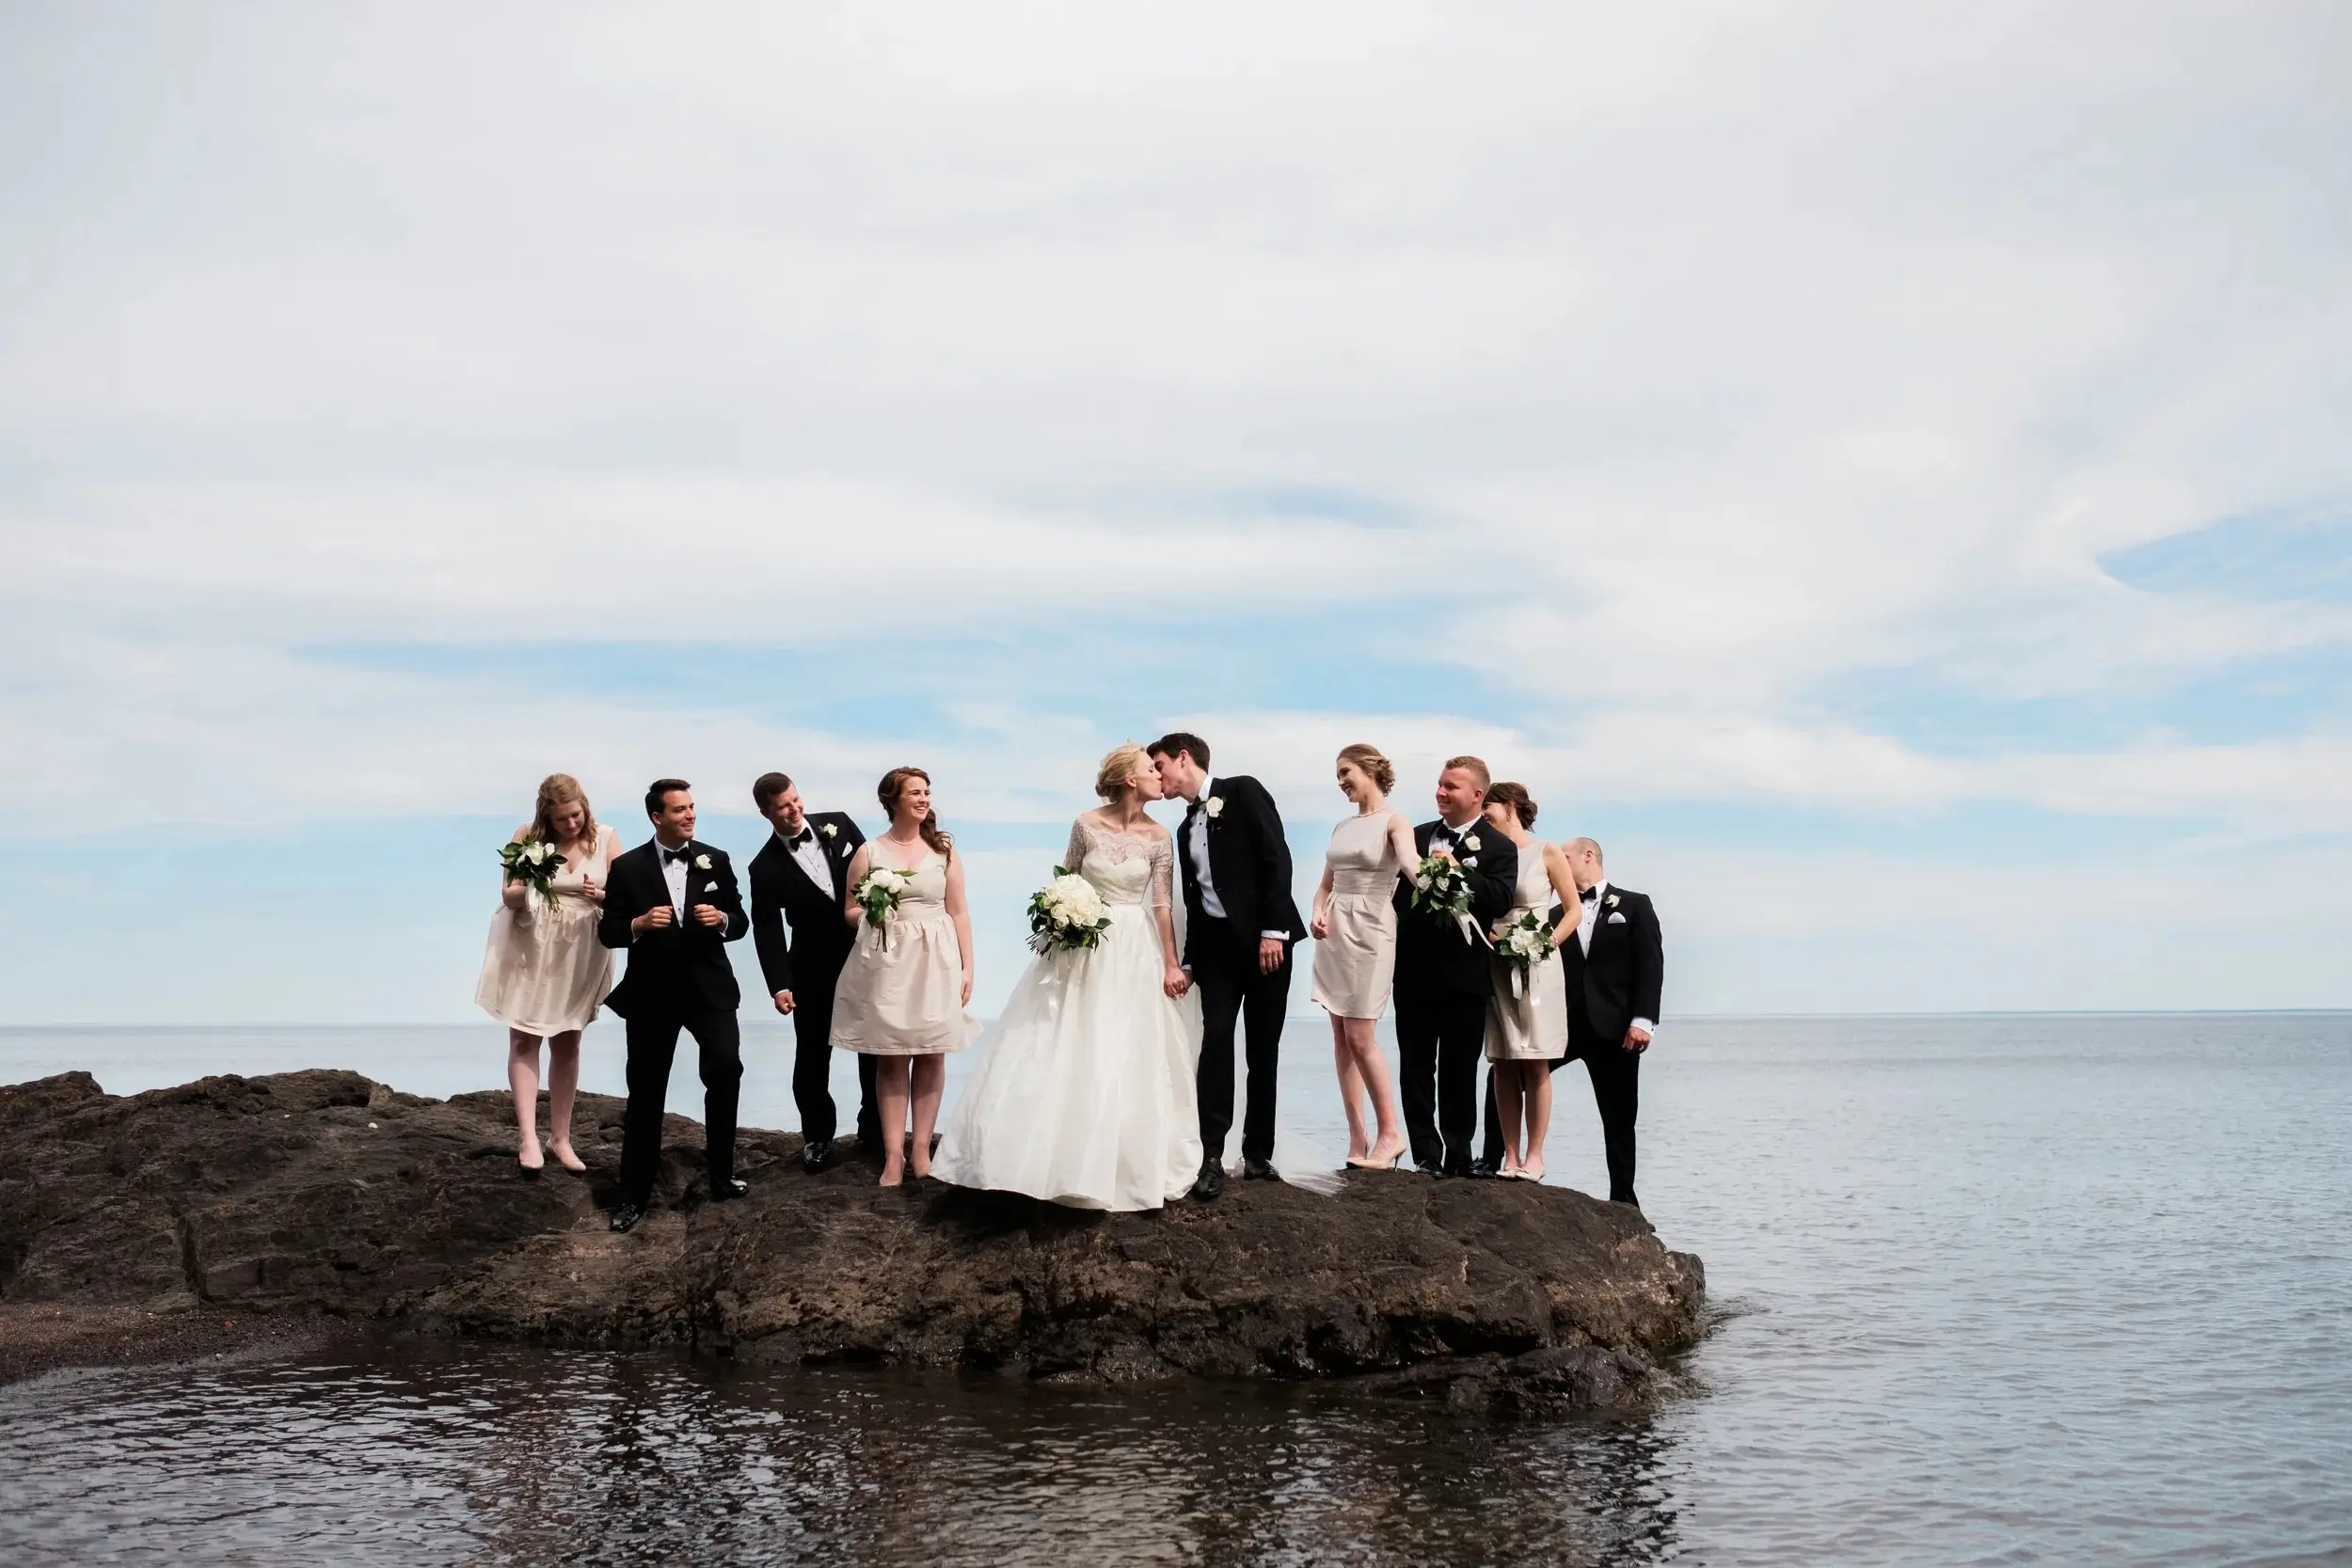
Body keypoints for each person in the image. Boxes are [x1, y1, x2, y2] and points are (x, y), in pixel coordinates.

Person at [933, 744, 1203, 1211]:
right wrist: (1061, 916)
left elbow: (1162, 906)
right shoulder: (1085, 824)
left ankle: (1118, 1163)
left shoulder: (1162, 836)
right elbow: (1065, 880)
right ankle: (1040, 1159)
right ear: (1130, 779)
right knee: (1066, 1039)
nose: (1159, 775)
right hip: (1082, 947)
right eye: (1150, 769)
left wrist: (1170, 963)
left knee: (1127, 1047)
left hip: (1134, 949)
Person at [1150, 732, 1306, 1200]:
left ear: (1183, 758)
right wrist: (1192, 959)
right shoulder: (1182, 829)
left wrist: (1273, 931)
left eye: (1159, 766)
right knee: (1216, 1041)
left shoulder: (1241, 791)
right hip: (1217, 952)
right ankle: (1210, 1155)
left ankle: (1258, 1154)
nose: (1157, 776)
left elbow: (1276, 858)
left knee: (1263, 1047)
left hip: (1266, 943)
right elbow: (1196, 899)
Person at [596, 779, 750, 1234]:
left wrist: (721, 919)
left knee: (725, 1071)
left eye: (692, 808)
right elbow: (609, 932)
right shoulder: (627, 867)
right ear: (656, 817)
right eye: (679, 809)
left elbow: (740, 919)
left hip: (711, 991)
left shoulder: (715, 859)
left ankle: (722, 1174)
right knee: (645, 1092)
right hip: (651, 994)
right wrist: (639, 924)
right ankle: (634, 1195)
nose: (689, 815)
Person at [829, 767, 976, 1187]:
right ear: (893, 801)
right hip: (887, 961)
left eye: (927, 792)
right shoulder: (869, 852)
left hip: (936, 958)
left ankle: (922, 1149)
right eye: (915, 792)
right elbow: (850, 911)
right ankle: (893, 1155)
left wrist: (968, 967)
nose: (924, 798)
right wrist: (875, 911)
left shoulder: (944, 849)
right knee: (892, 1056)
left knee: (931, 1051)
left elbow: (959, 911)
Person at [474, 773, 620, 1175]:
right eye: (561, 820)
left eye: (575, 815)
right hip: (532, 945)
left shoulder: (605, 838)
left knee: (568, 1041)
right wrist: (540, 888)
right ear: (546, 817)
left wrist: (600, 894)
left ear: (584, 807)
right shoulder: (527, 836)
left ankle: (562, 1139)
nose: (570, 824)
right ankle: (528, 1139)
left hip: (581, 950)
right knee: (524, 1039)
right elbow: (509, 894)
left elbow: (625, 897)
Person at [1390, 755, 1518, 1178]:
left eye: (1452, 786)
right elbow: (1393, 894)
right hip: (1412, 970)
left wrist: (1459, 869)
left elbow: (1499, 900)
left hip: (1465, 975)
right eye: (1440, 785)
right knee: (1415, 1064)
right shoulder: (1417, 836)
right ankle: (1425, 1154)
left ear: (1478, 796)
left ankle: (1459, 1153)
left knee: (1460, 1067)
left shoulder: (1499, 847)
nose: (1441, 792)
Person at [747, 771, 876, 1171]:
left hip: (863, 957)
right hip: (810, 967)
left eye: (796, 800)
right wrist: (779, 984)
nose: (795, 809)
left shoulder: (838, 821)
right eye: (784, 806)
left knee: (872, 1046)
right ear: (766, 813)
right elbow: (767, 929)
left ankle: (872, 1130)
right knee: (812, 1056)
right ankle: (818, 1137)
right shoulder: (763, 867)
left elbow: (875, 870)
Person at [1308, 743, 1421, 1171]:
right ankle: (1358, 1136)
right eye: (1337, 775)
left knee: (1360, 1035)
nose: (1341, 781)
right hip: (1334, 929)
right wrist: (1318, 912)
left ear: (1370, 770)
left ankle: (1391, 1132)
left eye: (1346, 772)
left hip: (1371, 928)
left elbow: (1410, 864)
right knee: (1340, 1036)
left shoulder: (1395, 820)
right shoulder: (1341, 827)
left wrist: (1436, 876)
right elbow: (1325, 884)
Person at [1475, 782, 1579, 1181]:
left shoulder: (1546, 852)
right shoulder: (1485, 854)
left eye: (1489, 807)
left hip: (1537, 963)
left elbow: (1571, 911)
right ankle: (1511, 1155)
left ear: (1511, 806)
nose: (1484, 814)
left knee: (1536, 1060)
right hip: (1496, 958)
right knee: (1502, 1060)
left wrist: (1543, 943)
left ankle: (1535, 1156)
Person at [1558, 837, 1664, 1208]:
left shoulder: (1634, 905)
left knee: (1619, 1118)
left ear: (1588, 856)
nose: (1557, 862)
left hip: (1617, 1030)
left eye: (1565, 856)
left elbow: (1651, 966)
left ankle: (1623, 1198)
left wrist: (1643, 1021)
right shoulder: (1556, 915)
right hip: (1565, 1028)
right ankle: (1494, 1164)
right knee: (1506, 1077)